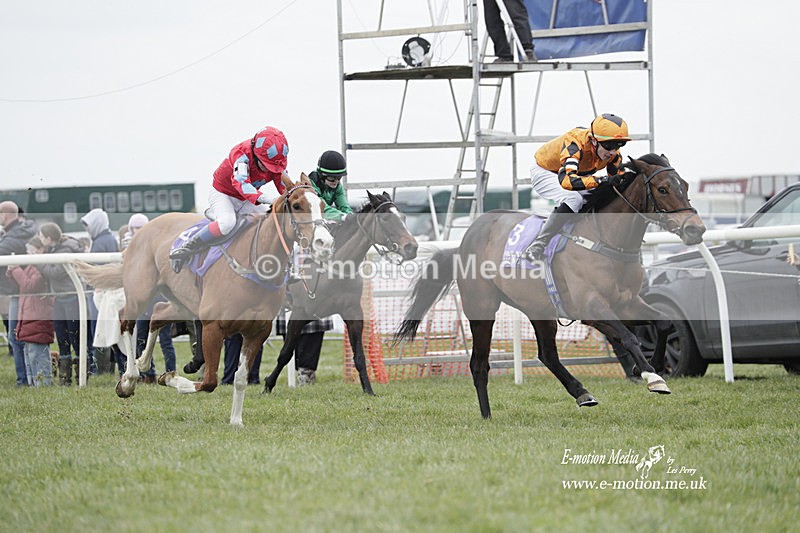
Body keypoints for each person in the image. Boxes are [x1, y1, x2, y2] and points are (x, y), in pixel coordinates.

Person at [169, 126, 290, 273]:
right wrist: (267, 198)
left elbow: (283, 184)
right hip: (223, 194)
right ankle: (188, 246)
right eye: (265, 166)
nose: (269, 171)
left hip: (247, 199)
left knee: (274, 222)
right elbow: (241, 183)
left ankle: (288, 266)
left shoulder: (277, 160)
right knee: (227, 223)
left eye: (273, 168)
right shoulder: (241, 154)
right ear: (255, 153)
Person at [523, 113, 631, 262]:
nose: (613, 152)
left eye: (619, 145)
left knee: (601, 196)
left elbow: (618, 186)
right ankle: (538, 244)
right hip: (546, 172)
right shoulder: (574, 144)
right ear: (593, 141)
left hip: (574, 174)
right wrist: (603, 180)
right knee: (573, 199)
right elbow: (567, 181)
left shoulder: (612, 154)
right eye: (609, 146)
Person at [38, 222, 86, 385]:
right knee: (62, 338)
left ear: (49, 238)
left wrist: (39, 261)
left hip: (71, 299)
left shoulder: (64, 250)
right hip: (61, 299)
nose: (39, 239)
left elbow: (54, 273)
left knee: (75, 338)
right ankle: (65, 378)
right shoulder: (55, 249)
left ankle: (81, 376)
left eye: (41, 236)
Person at [6, 236, 54, 386]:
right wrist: (11, 272)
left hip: (37, 317)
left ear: (40, 250)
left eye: (31, 251)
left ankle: (44, 384)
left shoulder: (40, 268)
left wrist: (16, 269)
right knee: (29, 356)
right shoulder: (32, 267)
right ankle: (34, 384)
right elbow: (22, 283)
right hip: (29, 316)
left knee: (37, 354)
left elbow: (29, 285)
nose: (28, 254)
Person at [0, 201, 37, 386]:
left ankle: (24, 379)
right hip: (24, 291)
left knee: (17, 337)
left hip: (19, 292)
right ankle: (28, 378)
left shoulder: (11, 238)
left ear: (4, 216)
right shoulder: (24, 230)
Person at [275, 309, 333, 386]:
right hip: (290, 310)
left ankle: (306, 376)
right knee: (290, 350)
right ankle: (305, 376)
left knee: (308, 354)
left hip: (314, 310)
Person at [308, 150, 354, 223]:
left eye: (339, 177)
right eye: (332, 178)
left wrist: (351, 215)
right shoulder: (310, 186)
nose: (336, 181)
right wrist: (342, 216)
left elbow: (344, 206)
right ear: (322, 176)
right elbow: (322, 208)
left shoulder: (337, 186)